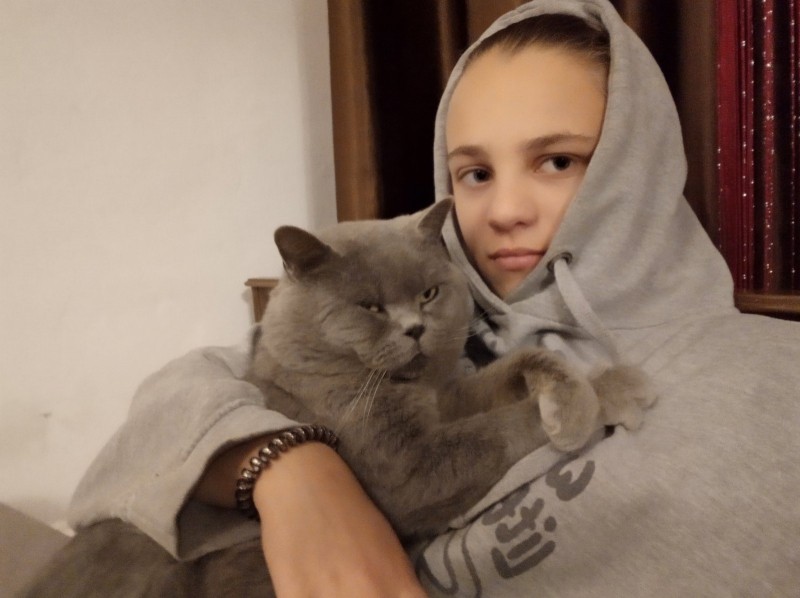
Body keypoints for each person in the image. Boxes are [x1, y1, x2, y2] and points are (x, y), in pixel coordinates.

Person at [67, 0, 800, 595]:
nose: (504, 211)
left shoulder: (767, 378)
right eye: (474, 173)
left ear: (637, 162)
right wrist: (288, 469)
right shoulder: (443, 303)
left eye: (557, 160)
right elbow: (177, 394)